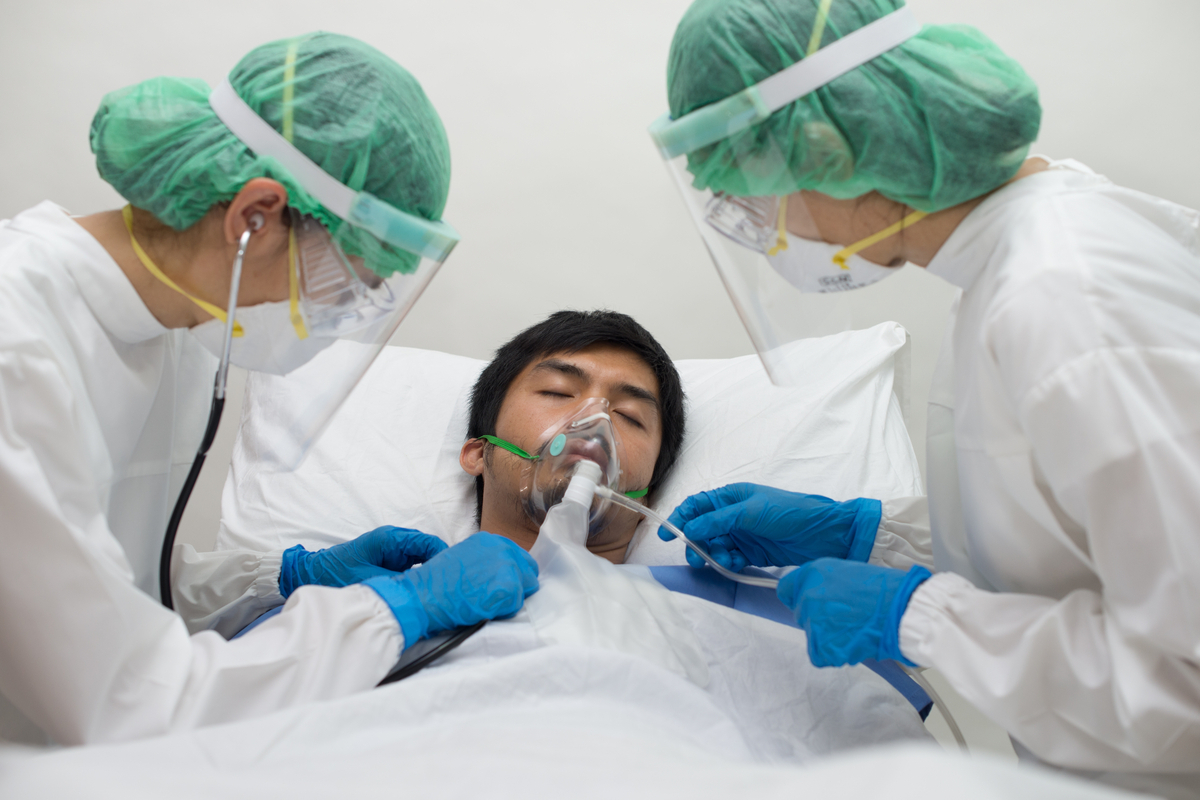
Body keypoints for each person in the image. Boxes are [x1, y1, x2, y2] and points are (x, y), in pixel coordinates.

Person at [653, 1, 1200, 797]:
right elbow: (1085, 550)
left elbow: (1185, 672)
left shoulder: (1068, 299)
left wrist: (921, 618)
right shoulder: (1030, 261)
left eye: (758, 189)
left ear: (831, 149)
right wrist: (873, 538)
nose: (762, 228)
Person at [0, 32, 536, 747]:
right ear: (253, 213)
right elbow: (125, 696)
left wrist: (279, 577)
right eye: (349, 279)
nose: (347, 310)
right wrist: (396, 609)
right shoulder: (15, 347)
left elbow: (100, 586)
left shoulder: (179, 329)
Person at [460, 310, 685, 563]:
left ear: (647, 499)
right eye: (558, 392)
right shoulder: (418, 587)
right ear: (478, 453)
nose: (597, 421)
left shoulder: (701, 597)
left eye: (628, 415)